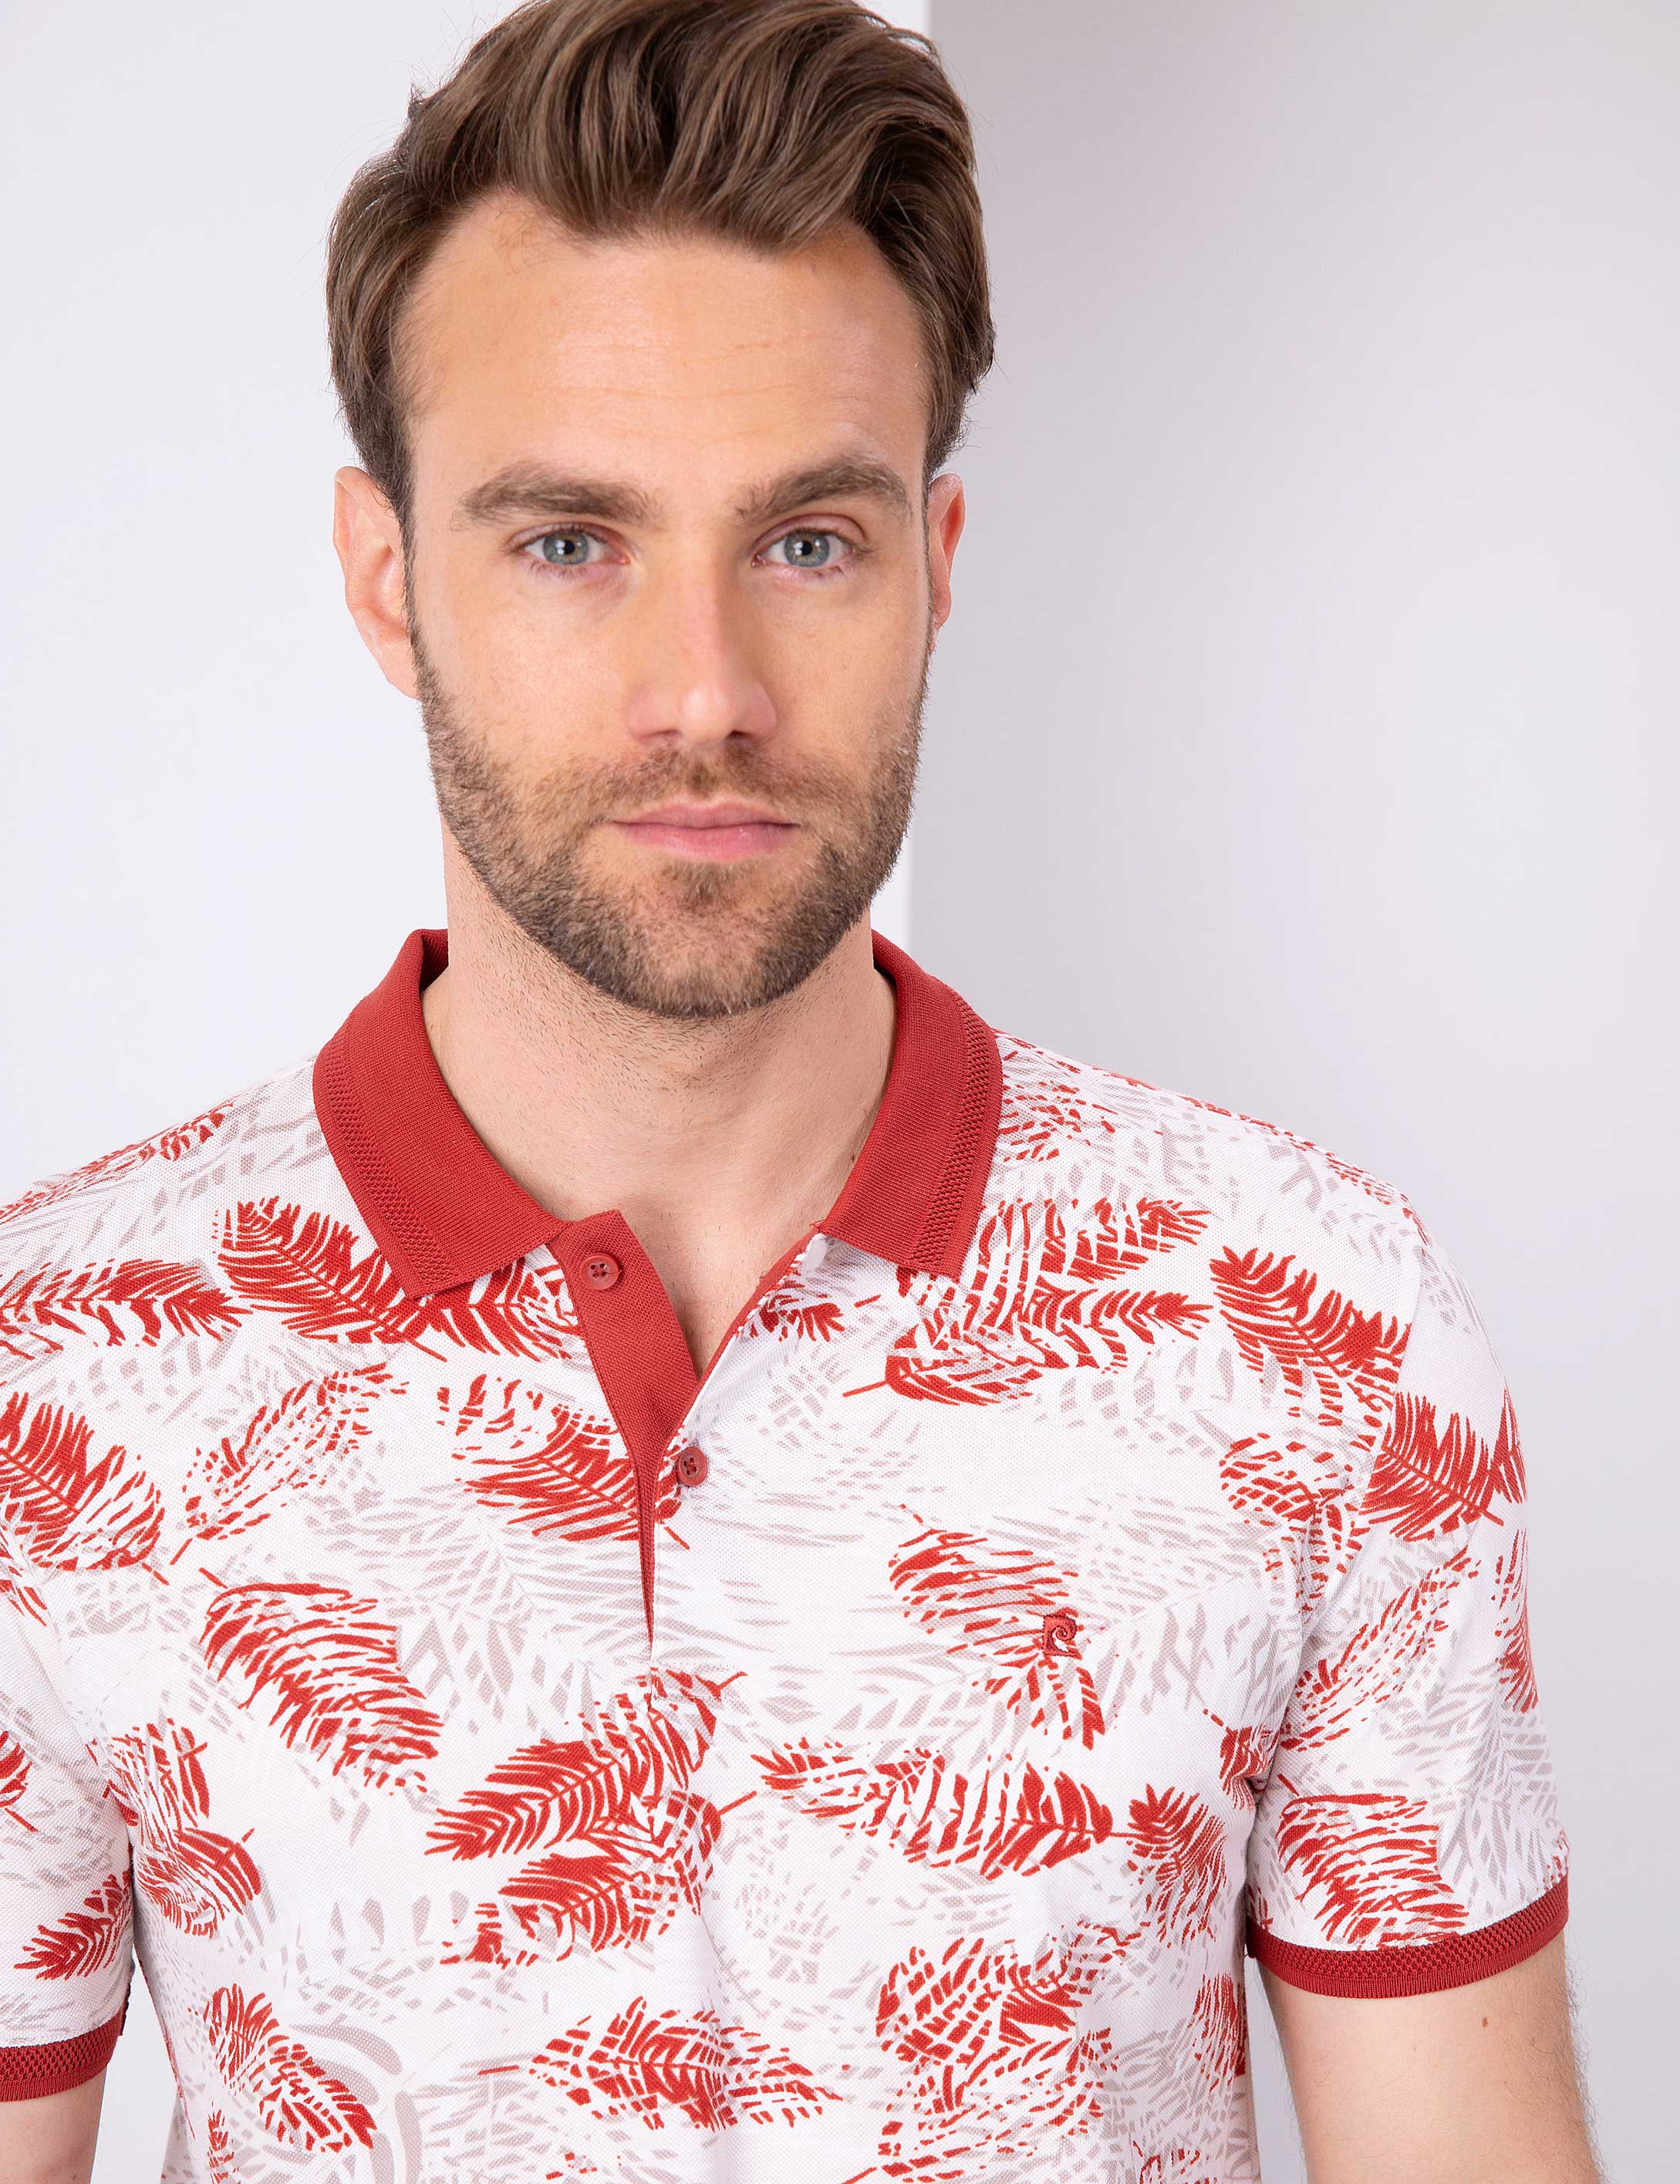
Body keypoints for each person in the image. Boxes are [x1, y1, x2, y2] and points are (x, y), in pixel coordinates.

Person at [0, 2, 1600, 2179]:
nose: (706, 694)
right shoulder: (57, 1380)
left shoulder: (1312, 1328)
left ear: (937, 563)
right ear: (389, 581)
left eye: (809, 542)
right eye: (570, 541)